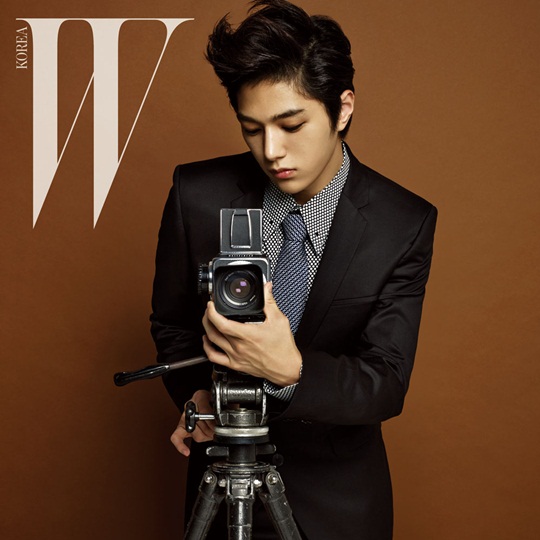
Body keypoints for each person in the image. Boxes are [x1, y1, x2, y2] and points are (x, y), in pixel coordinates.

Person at [150, 1, 437, 538]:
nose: (271, 151)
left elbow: (385, 381)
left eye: (291, 124)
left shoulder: (402, 222)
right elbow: (171, 322)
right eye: (251, 129)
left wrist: (292, 370)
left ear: (342, 108)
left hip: (337, 503)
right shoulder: (198, 194)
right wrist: (195, 394)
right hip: (220, 485)